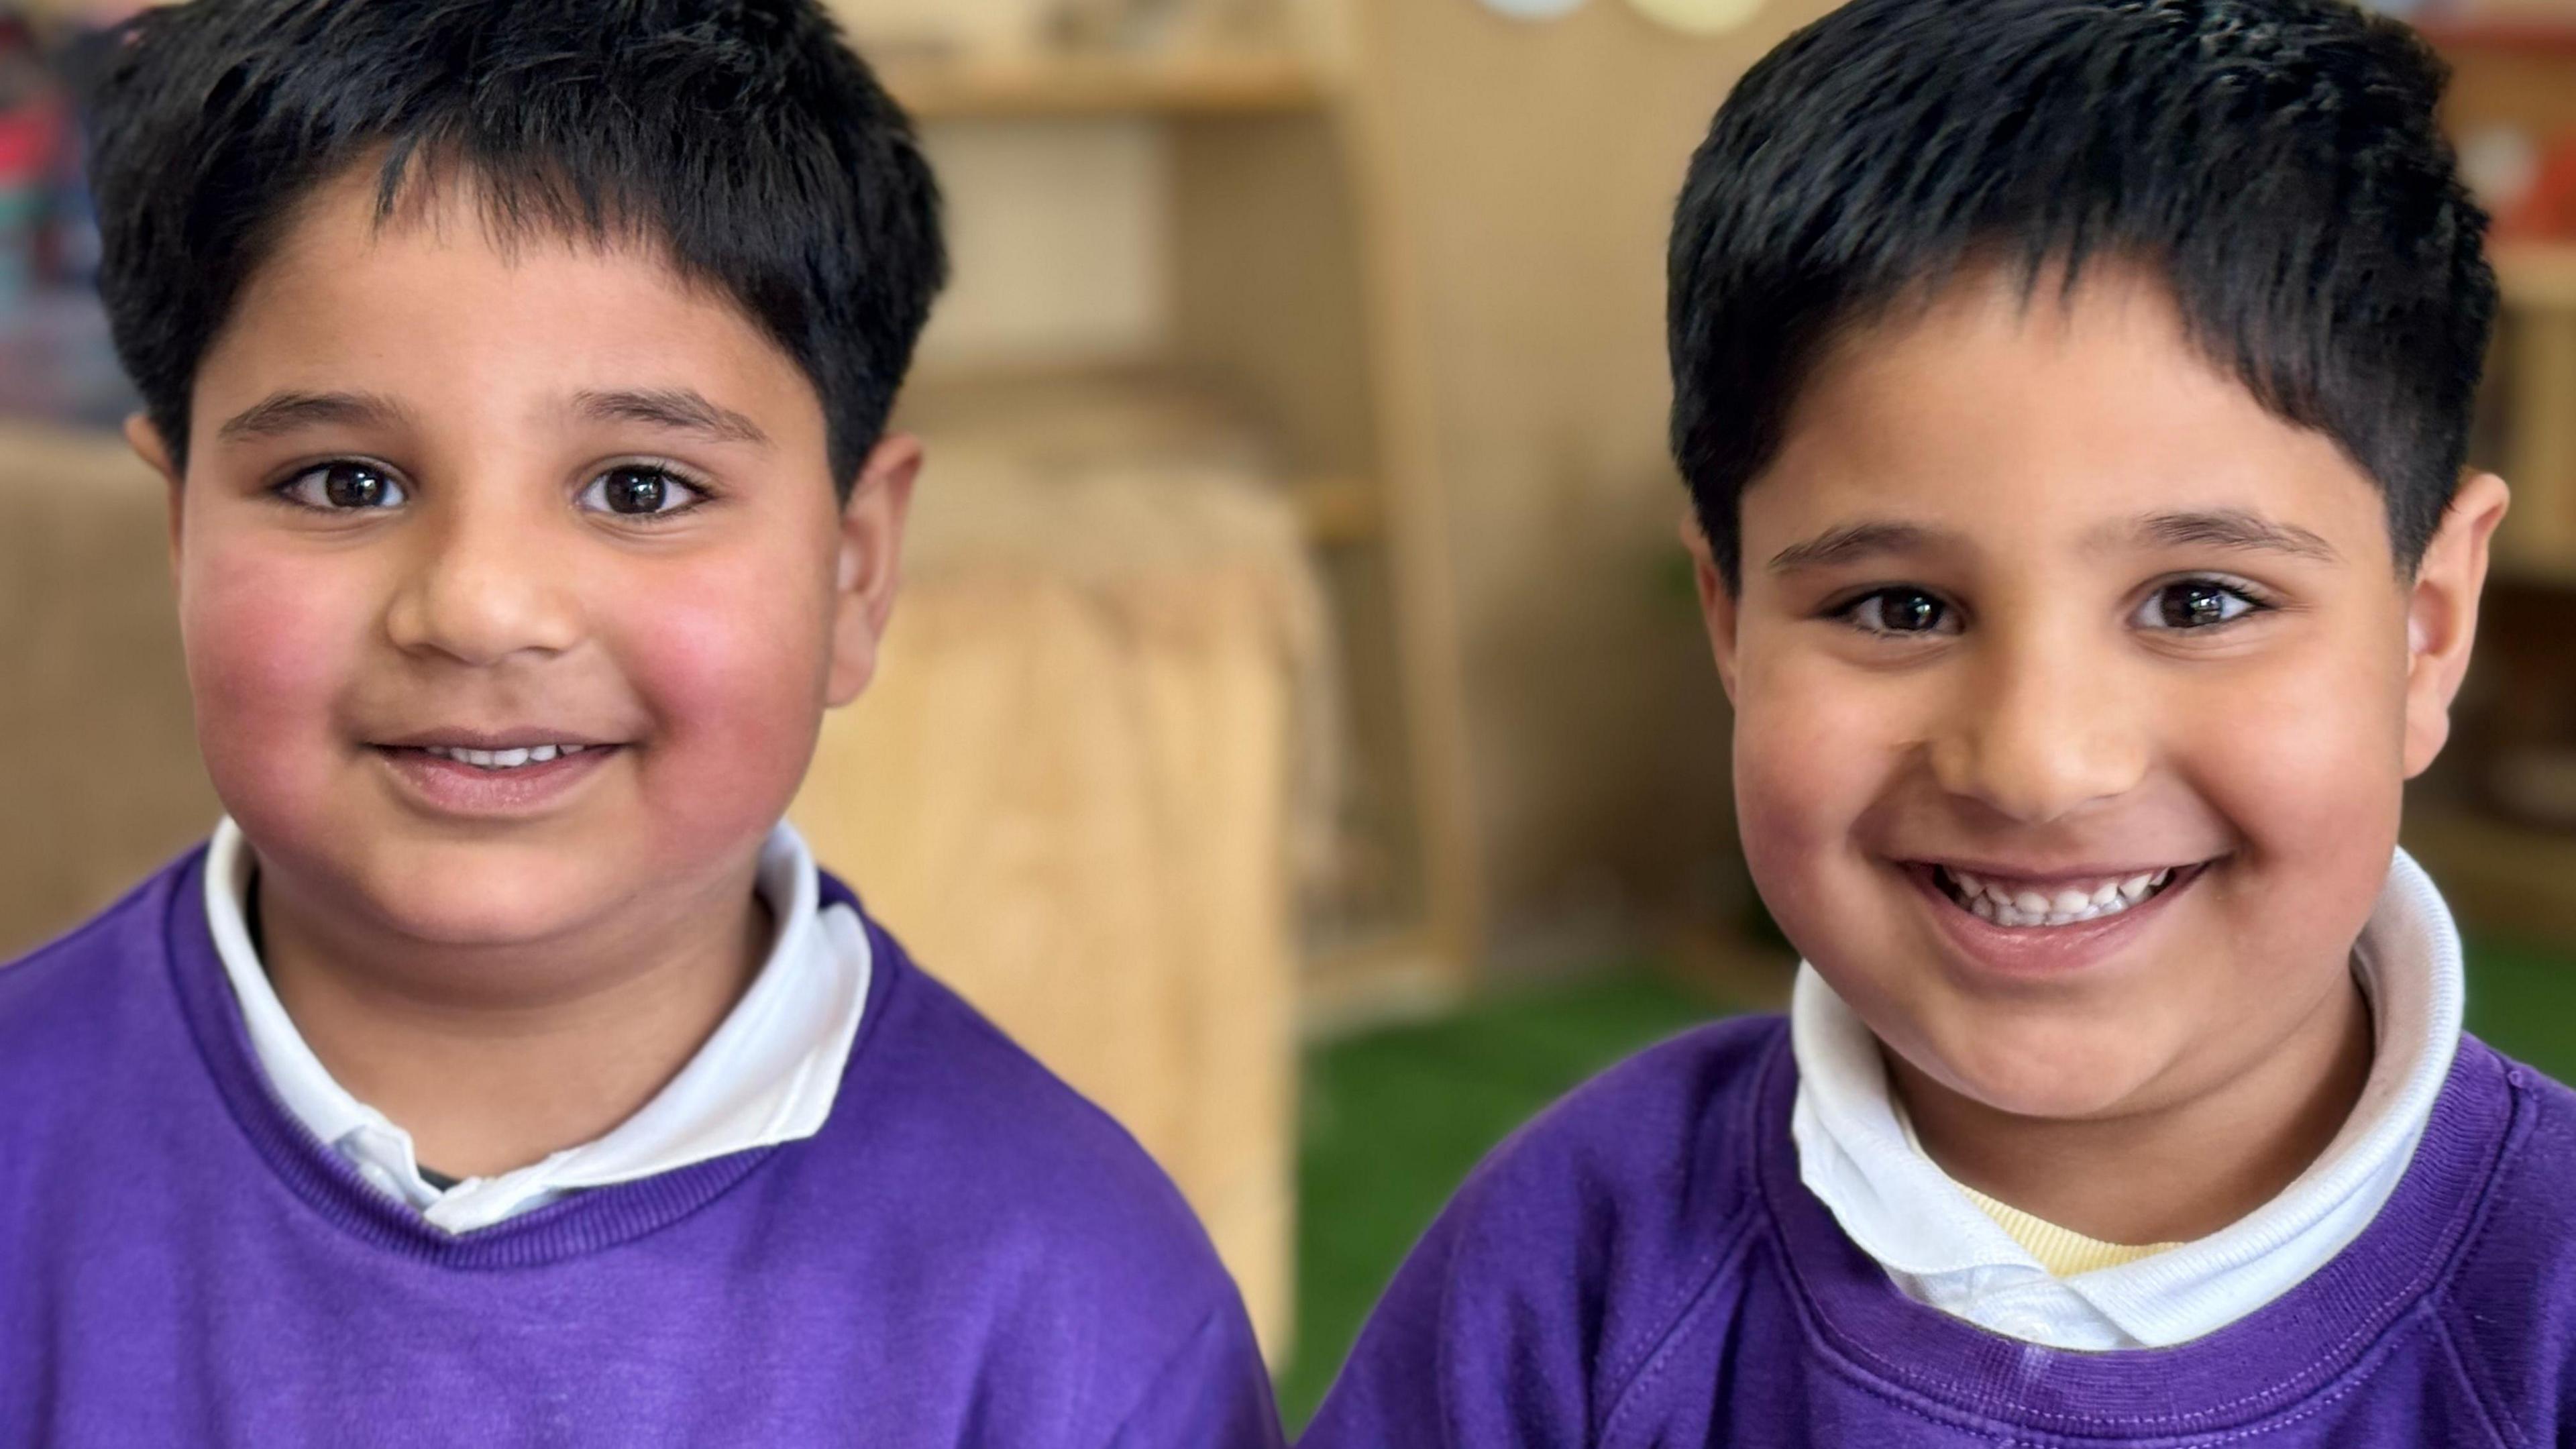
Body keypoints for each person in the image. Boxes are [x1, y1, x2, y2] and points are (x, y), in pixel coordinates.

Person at [0, 3, 1280, 1444]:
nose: (480, 608)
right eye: (345, 482)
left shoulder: (1078, 1304)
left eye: (641, 489)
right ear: (181, 532)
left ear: (854, 571)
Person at [1305, 1, 2572, 1443]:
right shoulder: (1577, 1257)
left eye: (2201, 601)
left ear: (2427, 632)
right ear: (1731, 623)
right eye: (1901, 608)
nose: (2037, 764)